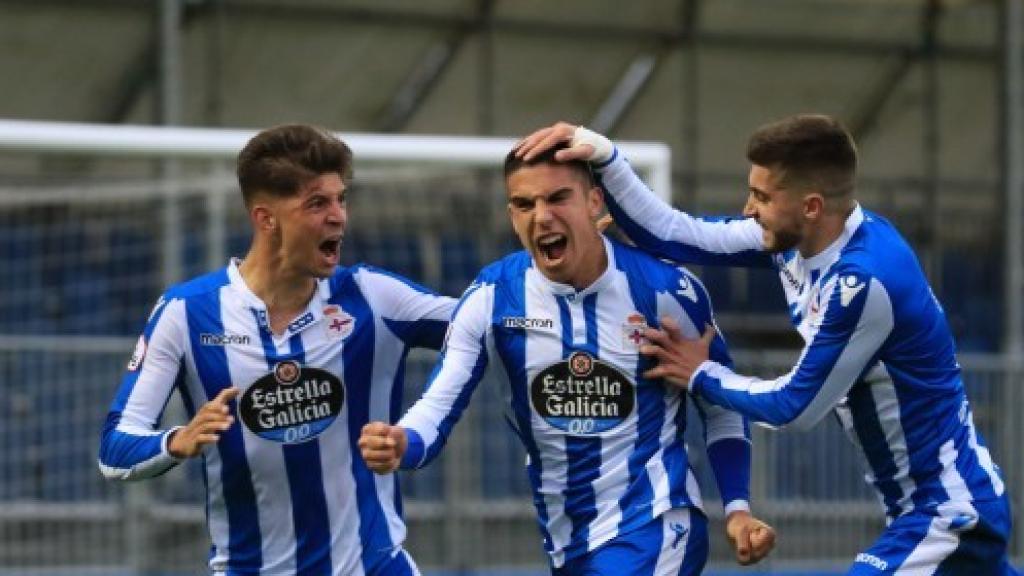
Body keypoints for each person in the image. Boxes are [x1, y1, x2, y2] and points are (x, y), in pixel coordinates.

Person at [516, 116, 1017, 574]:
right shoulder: (802, 242)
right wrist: (605, 156)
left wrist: (700, 373)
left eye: (760, 195)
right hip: (928, 505)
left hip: (948, 509)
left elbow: (794, 406)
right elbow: (677, 234)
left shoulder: (862, 281)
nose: (747, 208)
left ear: (811, 206)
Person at [359, 144, 775, 575]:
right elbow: (439, 403)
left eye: (558, 198)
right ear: (512, 216)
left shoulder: (665, 290)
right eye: (525, 204)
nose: (541, 216)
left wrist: (738, 507)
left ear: (595, 201)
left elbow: (719, 402)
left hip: (658, 523)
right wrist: (402, 440)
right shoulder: (492, 299)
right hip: (569, 545)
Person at [98, 124, 456, 576]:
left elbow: (486, 327)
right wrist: (178, 440)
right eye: (317, 203)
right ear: (266, 219)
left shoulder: (373, 297)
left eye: (340, 199)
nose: (339, 217)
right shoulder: (186, 313)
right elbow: (114, 449)